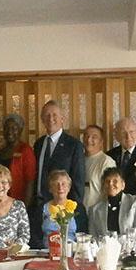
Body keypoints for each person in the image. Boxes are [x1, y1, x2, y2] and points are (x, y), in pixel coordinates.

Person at [31, 100, 86, 247]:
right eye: (47, 115)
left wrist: (74, 209)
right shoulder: (39, 144)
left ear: (62, 119)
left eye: (55, 115)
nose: (51, 119)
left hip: (64, 207)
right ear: (42, 119)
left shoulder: (74, 145)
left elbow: (78, 180)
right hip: (40, 205)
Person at [88, 167, 136, 238]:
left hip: (132, 247)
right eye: (107, 181)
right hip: (105, 248)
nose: (110, 184)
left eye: (115, 181)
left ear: (123, 185)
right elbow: (93, 238)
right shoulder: (94, 210)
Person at [40, 170, 88, 248]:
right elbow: (35, 236)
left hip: (71, 252)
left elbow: (83, 234)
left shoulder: (78, 208)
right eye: (56, 184)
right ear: (50, 189)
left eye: (64, 184)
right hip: (46, 252)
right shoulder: (41, 208)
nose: (60, 187)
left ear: (69, 188)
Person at [0, 113, 35, 205]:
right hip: (0, 201)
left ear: (20, 130)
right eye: (7, 128)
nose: (10, 132)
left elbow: (30, 181)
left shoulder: (26, 150)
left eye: (14, 128)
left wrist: (24, 207)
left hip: (18, 201)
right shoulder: (0, 152)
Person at [83, 124, 116, 209]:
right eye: (86, 136)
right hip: (78, 212)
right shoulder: (79, 159)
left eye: (94, 137)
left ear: (101, 142)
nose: (89, 140)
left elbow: (111, 191)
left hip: (97, 213)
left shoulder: (106, 162)